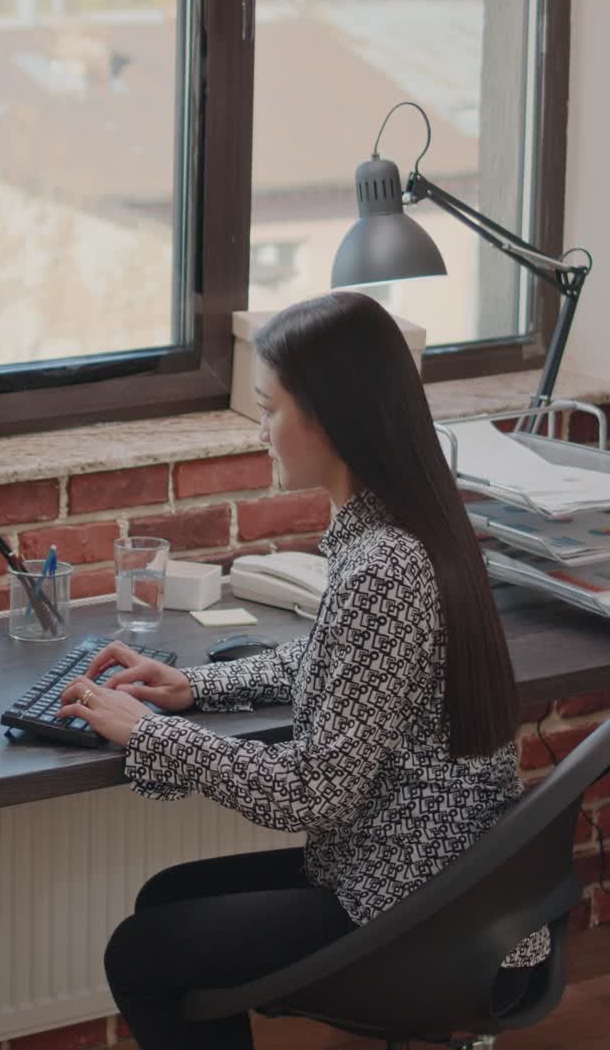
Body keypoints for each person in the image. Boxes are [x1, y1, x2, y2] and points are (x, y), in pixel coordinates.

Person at [59, 291, 547, 1050]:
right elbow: (339, 661)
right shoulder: (411, 523)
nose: (262, 431)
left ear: (328, 417)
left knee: (142, 952)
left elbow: (314, 791)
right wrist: (195, 687)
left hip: (416, 914)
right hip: (452, 889)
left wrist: (155, 735)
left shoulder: (383, 566)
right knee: (165, 899)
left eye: (269, 408)